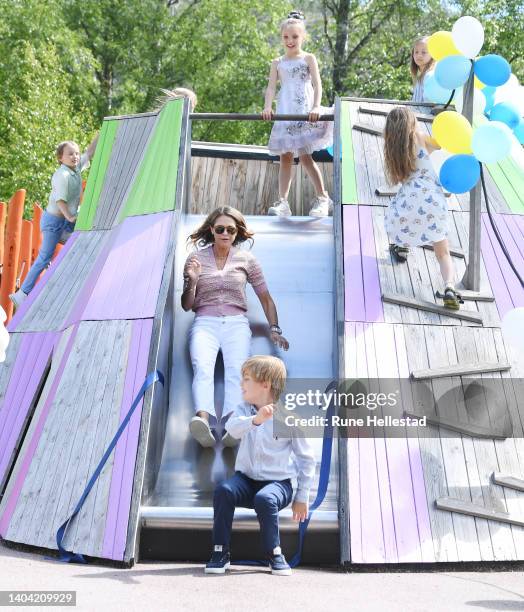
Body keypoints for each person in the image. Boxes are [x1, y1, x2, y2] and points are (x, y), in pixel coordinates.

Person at [182, 207, 289, 447]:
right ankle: (202, 421)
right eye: (220, 229)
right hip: (205, 322)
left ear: (236, 233)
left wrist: (275, 329)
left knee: (236, 372)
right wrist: (193, 280)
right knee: (203, 368)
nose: (225, 233)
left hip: (236, 324)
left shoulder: (247, 260)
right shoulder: (196, 259)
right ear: (212, 230)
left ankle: (232, 425)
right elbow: (187, 305)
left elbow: (265, 298)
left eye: (230, 230)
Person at [205, 355, 315, 575]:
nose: (241, 384)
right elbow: (233, 429)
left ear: (265, 384)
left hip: (278, 483)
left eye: (246, 379)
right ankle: (220, 551)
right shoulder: (243, 410)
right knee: (224, 491)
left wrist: (302, 497)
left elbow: (306, 459)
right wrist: (255, 420)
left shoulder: (288, 418)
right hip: (246, 481)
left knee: (265, 499)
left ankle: (274, 552)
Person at [383, 106, 461, 310]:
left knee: (403, 218)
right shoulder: (420, 137)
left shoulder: (394, 150)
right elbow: (441, 144)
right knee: (443, 253)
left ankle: (402, 245)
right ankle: (449, 287)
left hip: (410, 199)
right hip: (433, 200)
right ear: (411, 123)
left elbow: (401, 178)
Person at [9, 136, 98, 309]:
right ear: (60, 158)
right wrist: (70, 217)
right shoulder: (61, 175)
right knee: (44, 257)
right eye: (70, 154)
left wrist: (100, 134)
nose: (75, 157)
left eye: (76, 154)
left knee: (82, 239)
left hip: (65, 221)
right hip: (54, 223)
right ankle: (22, 294)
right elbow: (60, 200)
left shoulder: (76, 168)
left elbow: (89, 152)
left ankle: (79, 276)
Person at [262, 10, 333, 218]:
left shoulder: (308, 58)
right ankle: (283, 202)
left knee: (305, 156)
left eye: (294, 36)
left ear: (302, 37)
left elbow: (317, 84)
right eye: (286, 37)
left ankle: (322, 197)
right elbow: (271, 89)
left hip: (303, 111)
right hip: (286, 111)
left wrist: (316, 107)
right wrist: (268, 106)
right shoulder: (277, 62)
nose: (290, 41)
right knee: (285, 157)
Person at [411, 36, 435, 103]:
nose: (419, 55)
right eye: (416, 52)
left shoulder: (431, 75)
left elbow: (428, 104)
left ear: (432, 54)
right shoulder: (419, 77)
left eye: (424, 52)